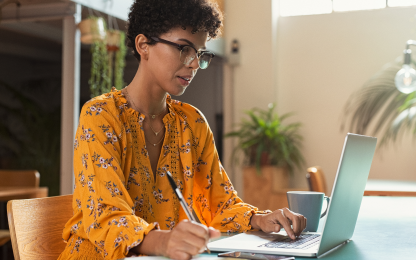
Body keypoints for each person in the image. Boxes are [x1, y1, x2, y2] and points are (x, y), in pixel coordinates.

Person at [58, 1, 307, 259]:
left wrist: (260, 218)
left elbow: (220, 203)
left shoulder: (192, 122)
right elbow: (105, 214)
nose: (195, 64)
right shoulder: (101, 115)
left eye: (200, 54)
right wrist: (165, 242)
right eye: (185, 49)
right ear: (143, 45)